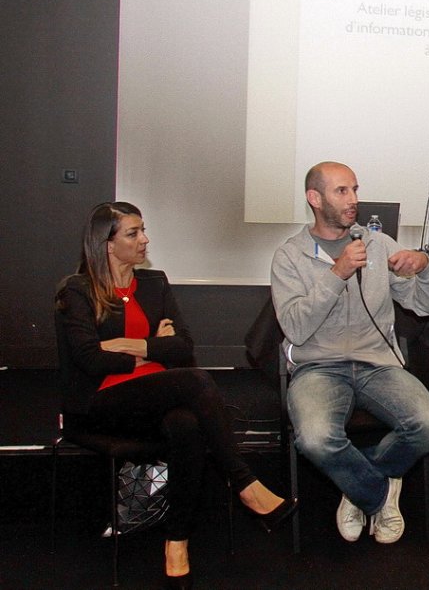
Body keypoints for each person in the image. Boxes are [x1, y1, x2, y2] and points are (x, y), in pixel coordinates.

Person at [57, 202, 296, 588]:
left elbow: (183, 347)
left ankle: (177, 542)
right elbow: (89, 361)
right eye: (133, 233)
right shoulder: (78, 291)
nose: (144, 239)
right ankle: (245, 484)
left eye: (143, 230)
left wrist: (126, 345)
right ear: (106, 244)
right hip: (100, 404)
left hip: (156, 397)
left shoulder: (154, 284)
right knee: (196, 381)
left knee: (185, 424)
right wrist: (152, 345)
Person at [271, 162, 429, 545]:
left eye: (354, 189)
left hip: (377, 365)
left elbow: (426, 306)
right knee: (316, 438)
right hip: (318, 367)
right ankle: (377, 493)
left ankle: (356, 484)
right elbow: (296, 328)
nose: (353, 200)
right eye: (341, 191)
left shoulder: (378, 244)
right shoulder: (289, 257)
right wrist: (336, 274)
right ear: (314, 199)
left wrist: (426, 266)